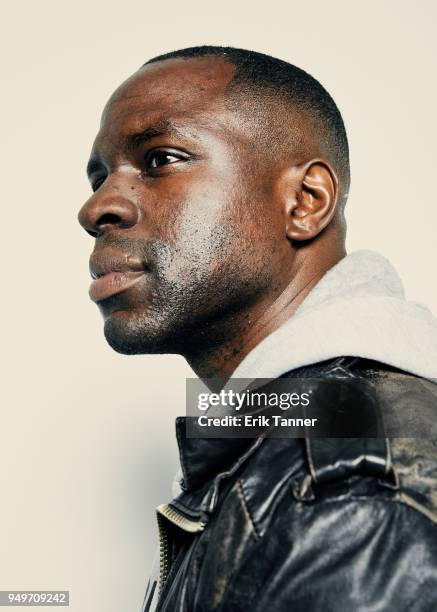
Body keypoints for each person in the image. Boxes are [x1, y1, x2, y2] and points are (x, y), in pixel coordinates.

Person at [78, 46, 437, 611]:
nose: (96, 207)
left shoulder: (349, 492)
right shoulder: (285, 446)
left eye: (160, 159)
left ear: (306, 202)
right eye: (100, 177)